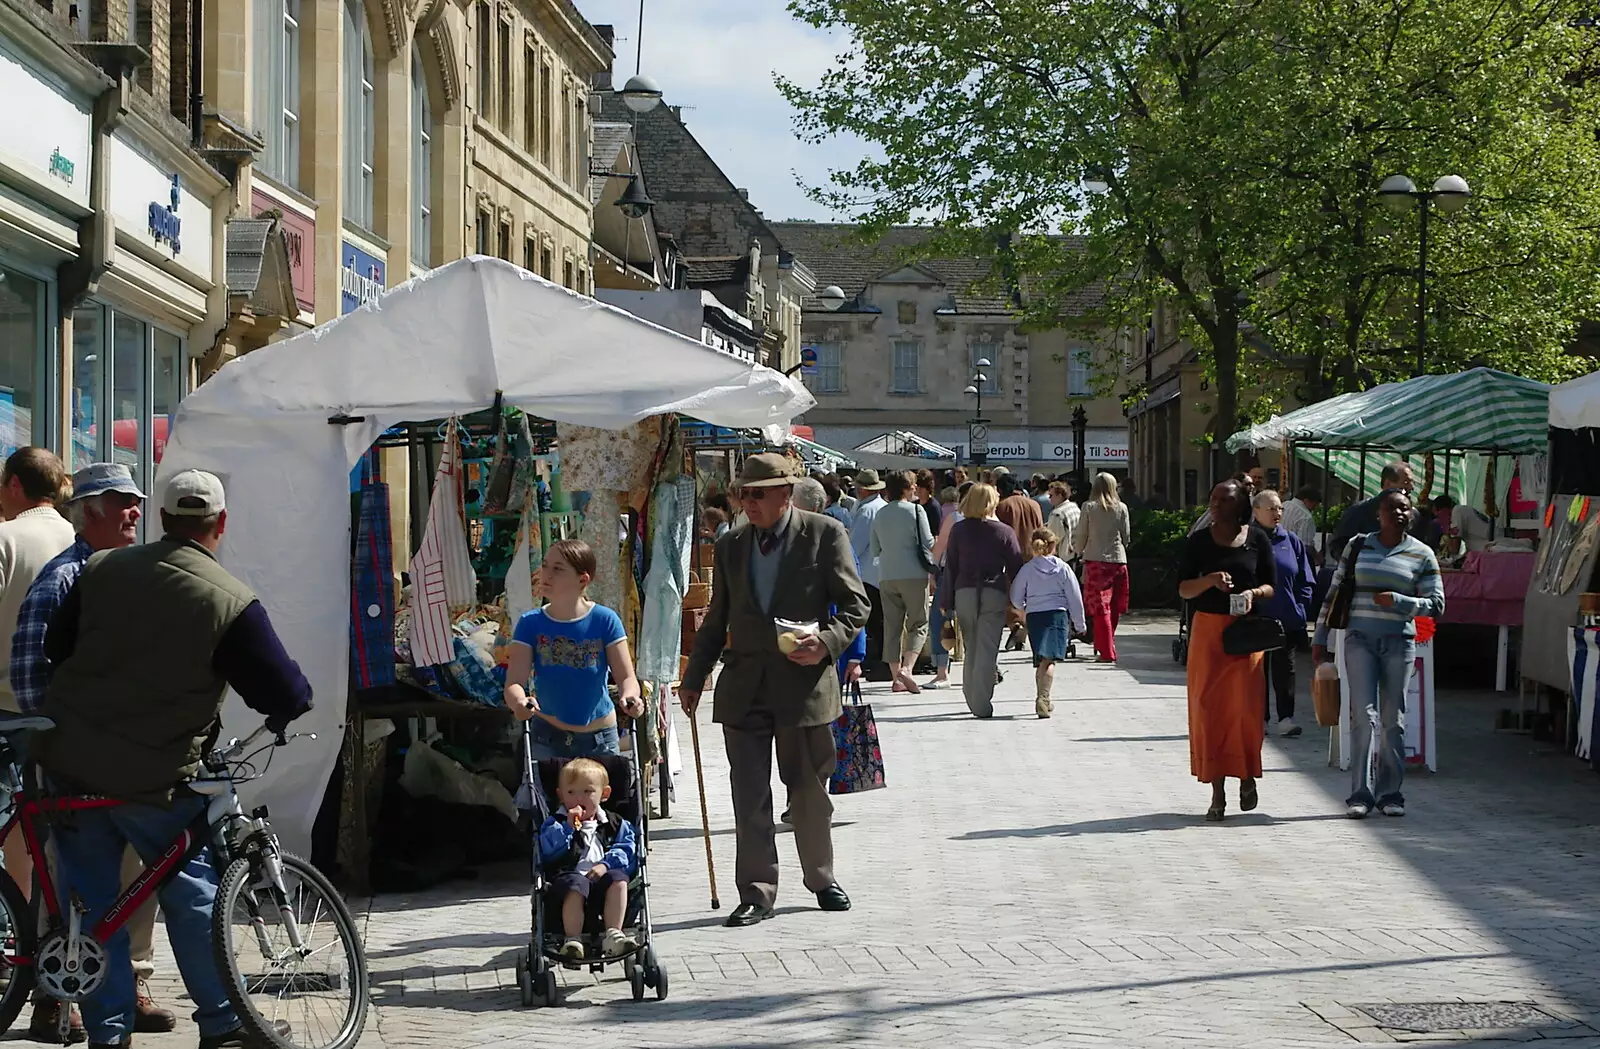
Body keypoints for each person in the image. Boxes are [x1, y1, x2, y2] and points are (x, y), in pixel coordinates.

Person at [35, 469, 313, 1049]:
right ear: (221, 524)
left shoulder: (100, 570)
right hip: (156, 774)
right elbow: (285, 693)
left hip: (73, 761)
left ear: (160, 519)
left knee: (92, 902)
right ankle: (220, 1022)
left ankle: (107, 1034)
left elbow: (55, 648)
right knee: (192, 890)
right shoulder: (228, 598)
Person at [9, 464, 175, 1037]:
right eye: (122, 503)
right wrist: (69, 735)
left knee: (139, 869)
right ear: (90, 513)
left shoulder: (137, 574)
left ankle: (131, 981)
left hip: (130, 753)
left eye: (136, 502)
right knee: (70, 876)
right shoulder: (63, 579)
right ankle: (58, 999)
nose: (135, 512)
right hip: (76, 758)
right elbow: (30, 674)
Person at [678, 454, 868, 928]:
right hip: (744, 686)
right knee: (749, 794)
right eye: (743, 493)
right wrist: (695, 676)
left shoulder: (825, 534)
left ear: (786, 493)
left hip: (803, 687)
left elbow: (855, 604)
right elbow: (718, 617)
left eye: (758, 493)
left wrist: (825, 643)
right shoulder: (731, 544)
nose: (749, 501)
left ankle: (821, 878)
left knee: (807, 791)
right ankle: (757, 893)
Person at [1313, 489, 1444, 819]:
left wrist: (1402, 603)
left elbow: (1437, 604)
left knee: (1392, 721)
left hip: (1399, 642)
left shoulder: (1422, 554)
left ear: (1411, 515)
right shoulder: (1358, 546)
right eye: (1391, 508)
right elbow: (1334, 592)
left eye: (1404, 509)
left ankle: (1390, 793)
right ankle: (1360, 791)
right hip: (1360, 640)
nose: (1398, 514)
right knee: (1363, 716)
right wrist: (1320, 636)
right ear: (1379, 513)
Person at [1176, 479, 1277, 821]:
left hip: (1246, 635)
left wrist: (1254, 594)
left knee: (1245, 711)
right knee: (1209, 710)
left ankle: (1246, 776)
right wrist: (1209, 580)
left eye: (1224, 500)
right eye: (1213, 498)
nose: (1216, 504)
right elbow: (1184, 589)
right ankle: (1216, 792)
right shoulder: (1199, 542)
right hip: (1208, 632)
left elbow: (1271, 585)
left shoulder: (1257, 539)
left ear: (1240, 505)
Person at [504, 539, 645, 760]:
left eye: (558, 569)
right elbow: (514, 682)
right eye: (545, 565)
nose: (546, 574)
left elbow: (626, 677)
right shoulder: (529, 623)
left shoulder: (605, 620)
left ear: (583, 579)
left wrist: (631, 697)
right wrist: (519, 703)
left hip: (600, 741)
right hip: (546, 738)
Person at [537, 757, 640, 961]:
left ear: (604, 794)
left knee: (619, 879)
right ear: (560, 795)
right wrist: (566, 827)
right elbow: (546, 851)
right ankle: (573, 940)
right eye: (571, 793)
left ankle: (613, 934)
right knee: (576, 883)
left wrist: (606, 864)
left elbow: (627, 850)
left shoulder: (616, 824)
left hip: (603, 880)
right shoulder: (555, 823)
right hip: (569, 880)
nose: (578, 799)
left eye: (587, 792)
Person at [942, 484, 1024, 719]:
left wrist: (946, 601)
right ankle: (980, 701)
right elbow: (1017, 567)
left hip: (964, 592)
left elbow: (951, 567)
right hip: (993, 592)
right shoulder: (1004, 532)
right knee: (987, 649)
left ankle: (972, 694)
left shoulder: (958, 530)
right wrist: (1020, 601)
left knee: (971, 647)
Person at [1252, 489, 1315, 738]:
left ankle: (1285, 717)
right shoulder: (1248, 540)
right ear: (1256, 511)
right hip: (1257, 618)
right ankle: (1260, 717)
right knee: (1257, 671)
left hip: (1286, 618)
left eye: (1279, 508)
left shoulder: (1291, 540)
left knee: (1285, 670)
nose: (1277, 513)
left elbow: (1305, 579)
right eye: (1271, 509)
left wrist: (1300, 607)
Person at [1009, 528, 1087, 719]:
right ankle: (1043, 698)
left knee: (1040, 660)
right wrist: (1080, 623)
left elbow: (1015, 596)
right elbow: (1074, 597)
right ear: (1053, 546)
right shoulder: (1063, 568)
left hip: (1035, 616)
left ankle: (1042, 697)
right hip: (1057, 615)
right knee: (1049, 660)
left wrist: (1024, 606)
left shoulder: (1027, 569)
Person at [870, 472, 935, 694]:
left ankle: (896, 677)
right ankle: (907, 669)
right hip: (914, 573)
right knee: (918, 622)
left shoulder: (880, 513)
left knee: (892, 625)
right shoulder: (917, 511)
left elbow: (875, 548)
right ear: (907, 488)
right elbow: (928, 542)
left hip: (887, 574)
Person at [1073, 472, 1132, 663]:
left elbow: (1082, 533)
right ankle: (1106, 643)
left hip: (1096, 561)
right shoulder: (1122, 508)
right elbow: (1126, 536)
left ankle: (1106, 650)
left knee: (1100, 609)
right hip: (1118, 560)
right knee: (1114, 607)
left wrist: (1077, 550)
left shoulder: (1089, 507)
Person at [994, 473, 1044, 651]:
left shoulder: (1003, 506)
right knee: (1030, 595)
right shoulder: (1034, 505)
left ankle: (1017, 625)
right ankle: (1025, 625)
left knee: (1011, 595)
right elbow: (1041, 529)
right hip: (1033, 555)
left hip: (1011, 556)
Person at [1327, 461, 1415, 561]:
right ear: (1388, 483)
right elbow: (1338, 546)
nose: (1411, 487)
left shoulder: (1414, 516)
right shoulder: (1359, 511)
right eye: (1406, 482)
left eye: (1412, 483)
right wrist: (1358, 564)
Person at [848, 469, 888, 675]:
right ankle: (886, 660)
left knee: (872, 621)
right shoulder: (883, 506)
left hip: (866, 574)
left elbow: (855, 545)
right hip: (882, 571)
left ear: (862, 489)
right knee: (882, 620)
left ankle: (882, 661)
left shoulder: (866, 511)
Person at [926, 486, 963, 688]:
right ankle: (985, 669)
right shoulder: (992, 519)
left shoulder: (955, 518)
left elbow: (939, 549)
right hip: (981, 578)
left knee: (940, 619)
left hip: (951, 573)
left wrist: (932, 573)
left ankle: (942, 672)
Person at [1281, 486, 1321, 556]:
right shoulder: (1306, 517)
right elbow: (1305, 545)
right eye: (1314, 504)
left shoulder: (1283, 505)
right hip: (1293, 556)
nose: (1315, 508)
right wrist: (1317, 556)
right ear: (1306, 500)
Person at [1045, 481, 1079, 553]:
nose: (1049, 498)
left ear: (1059, 495)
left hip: (1063, 556)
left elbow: (1053, 539)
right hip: (1076, 552)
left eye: (1051, 495)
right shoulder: (1074, 507)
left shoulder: (1057, 514)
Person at [915, 469, 943, 536]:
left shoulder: (934, 507)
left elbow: (935, 532)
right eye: (917, 487)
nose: (918, 490)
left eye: (921, 488)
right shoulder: (914, 504)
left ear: (928, 488)